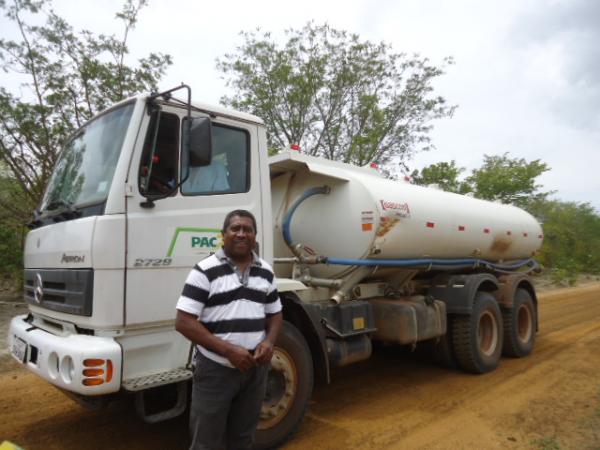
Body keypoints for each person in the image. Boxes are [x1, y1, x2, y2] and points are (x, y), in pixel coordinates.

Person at [175, 209, 283, 450]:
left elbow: (275, 313)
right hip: (215, 371)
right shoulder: (204, 270)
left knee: (243, 439)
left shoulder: (265, 271)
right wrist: (228, 350)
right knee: (206, 443)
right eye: (235, 229)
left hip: (254, 371)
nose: (241, 234)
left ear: (255, 236)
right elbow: (183, 321)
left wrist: (269, 342)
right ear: (223, 235)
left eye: (248, 229)